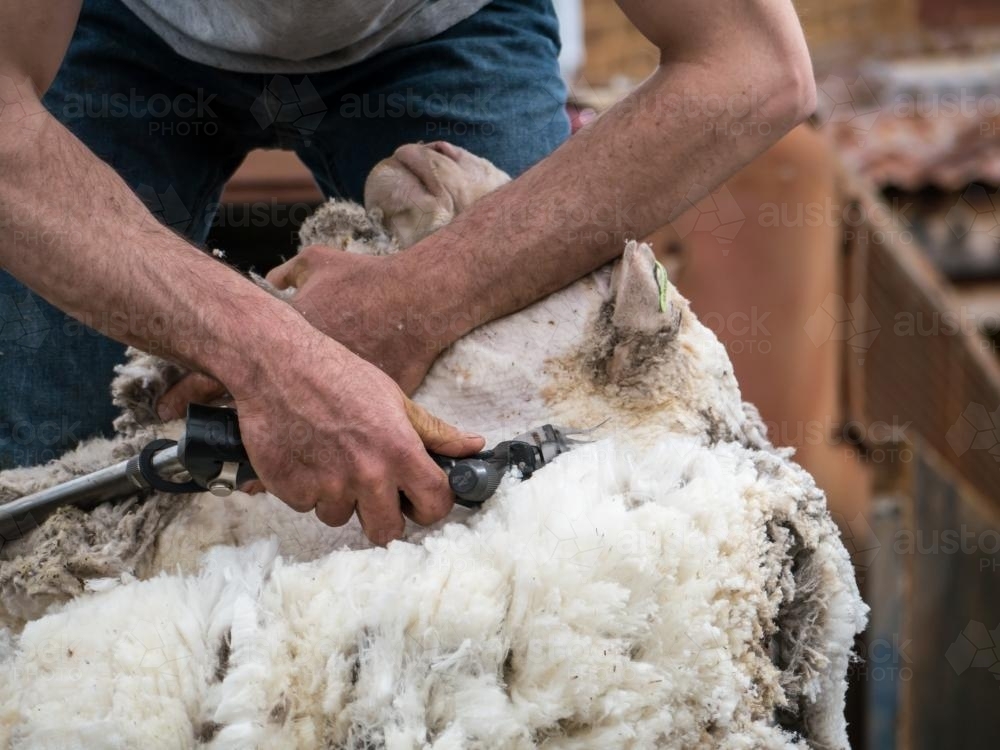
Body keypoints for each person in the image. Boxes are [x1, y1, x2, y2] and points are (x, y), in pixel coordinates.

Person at [0, 0, 816, 544]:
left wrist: (415, 300)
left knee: (543, 506)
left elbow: (751, 65)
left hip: (439, 24)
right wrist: (273, 354)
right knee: (58, 516)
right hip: (110, 27)